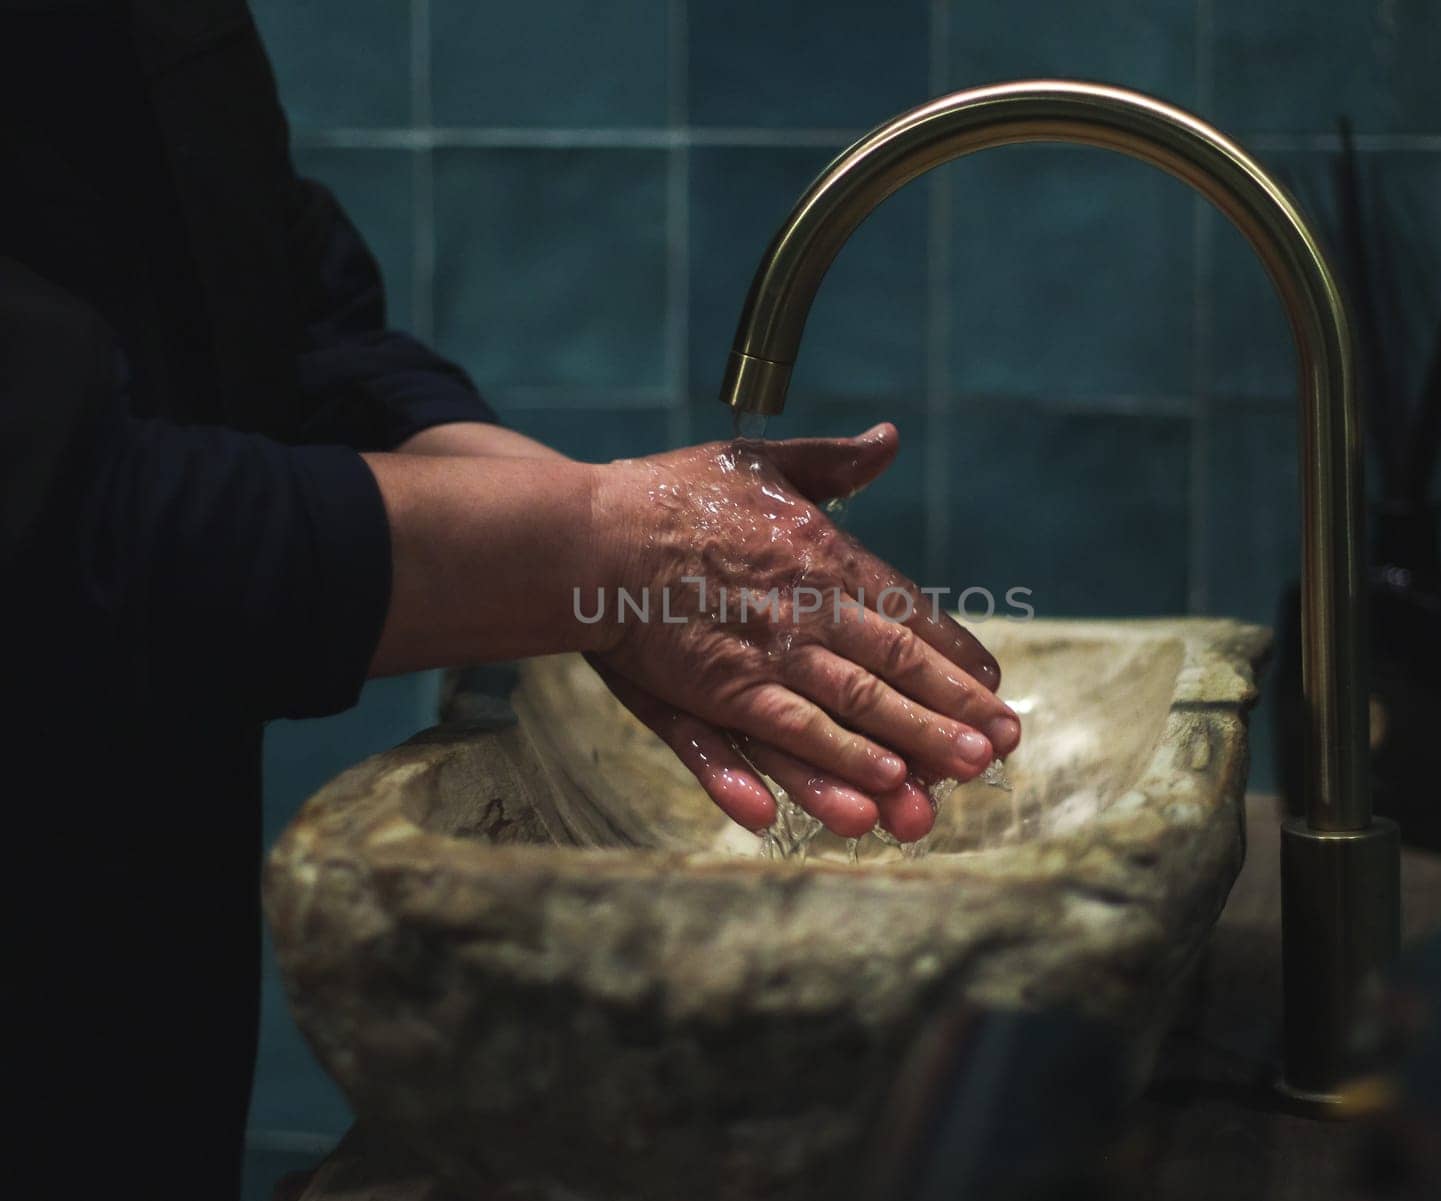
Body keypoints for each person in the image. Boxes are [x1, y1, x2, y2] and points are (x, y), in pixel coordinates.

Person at [0, 1, 1018, 1195]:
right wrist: (601, 554)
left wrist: (632, 567)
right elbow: (61, 516)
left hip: (138, 977)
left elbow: (292, 325)